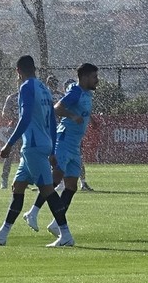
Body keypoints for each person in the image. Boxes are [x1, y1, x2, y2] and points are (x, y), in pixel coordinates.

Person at [0, 55, 74, 247]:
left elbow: (24, 119)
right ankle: (2, 234)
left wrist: (8, 144)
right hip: (41, 145)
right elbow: (51, 122)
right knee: (18, 186)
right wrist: (53, 150)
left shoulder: (26, 88)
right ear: (34, 69)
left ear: (18, 71)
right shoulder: (45, 89)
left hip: (33, 146)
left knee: (48, 190)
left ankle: (65, 234)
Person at [22, 64, 99, 237]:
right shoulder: (76, 92)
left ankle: (57, 223)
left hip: (74, 145)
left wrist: (89, 120)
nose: (97, 80)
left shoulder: (86, 93)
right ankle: (32, 213)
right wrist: (72, 116)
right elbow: (57, 108)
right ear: (85, 77)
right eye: (94, 77)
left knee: (71, 186)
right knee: (55, 180)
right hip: (64, 141)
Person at [64, 78, 95, 192]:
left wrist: (91, 120)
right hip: (62, 134)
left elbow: (83, 111)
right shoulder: (65, 99)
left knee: (77, 157)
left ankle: (82, 182)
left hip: (72, 134)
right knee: (60, 159)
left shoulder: (76, 97)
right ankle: (56, 183)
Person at [0, 91, 20, 189]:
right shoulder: (12, 97)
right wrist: (14, 117)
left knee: (24, 155)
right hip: (13, 128)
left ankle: (23, 179)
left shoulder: (30, 95)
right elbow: (4, 113)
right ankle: (4, 179)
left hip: (27, 129)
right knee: (9, 155)